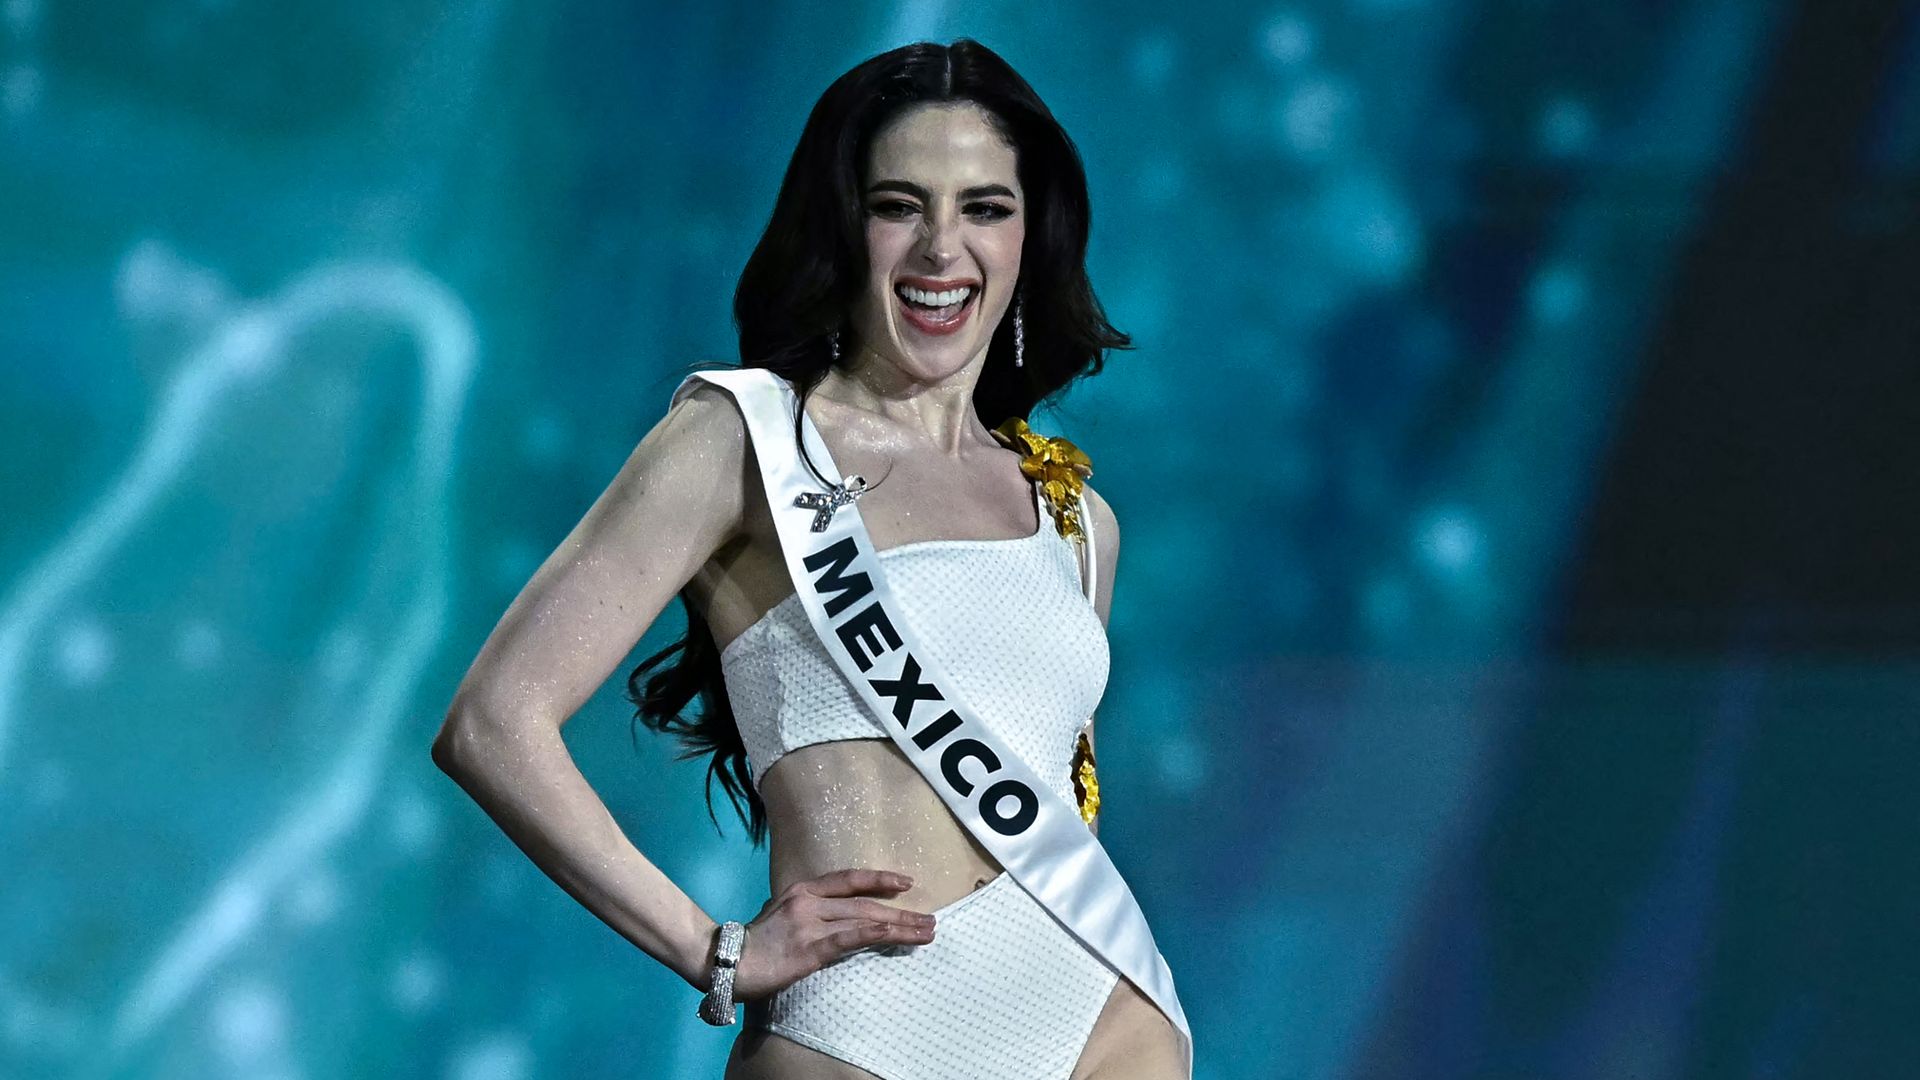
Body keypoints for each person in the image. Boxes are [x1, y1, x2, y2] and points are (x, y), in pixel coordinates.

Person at [432, 39, 1188, 1079]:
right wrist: (714, 950)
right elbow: (490, 724)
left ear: (1031, 236)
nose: (940, 248)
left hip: (1108, 1022)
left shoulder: (1078, 518)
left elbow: (1056, 800)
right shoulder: (739, 439)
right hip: (861, 1036)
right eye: (898, 204)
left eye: (985, 208)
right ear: (843, 224)